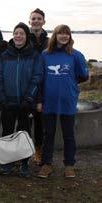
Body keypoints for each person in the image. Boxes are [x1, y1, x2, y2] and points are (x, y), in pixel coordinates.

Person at [37, 25, 89, 178]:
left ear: (70, 36)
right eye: (61, 33)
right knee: (48, 134)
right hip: (49, 101)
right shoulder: (45, 55)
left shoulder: (76, 55)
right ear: (55, 35)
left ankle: (69, 165)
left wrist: (69, 84)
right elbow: (39, 79)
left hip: (68, 102)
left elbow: (84, 76)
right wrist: (39, 100)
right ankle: (46, 164)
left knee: (69, 135)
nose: (64, 36)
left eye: (67, 33)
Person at [0, 22, 43, 177]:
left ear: (26, 36)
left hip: (25, 103)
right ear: (13, 35)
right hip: (8, 102)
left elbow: (37, 78)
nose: (18, 36)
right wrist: (1, 98)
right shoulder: (5, 55)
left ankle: (24, 164)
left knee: (24, 133)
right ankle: (7, 163)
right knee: (7, 132)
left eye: (21, 33)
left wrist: (29, 98)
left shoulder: (34, 55)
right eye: (16, 33)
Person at [28, 8, 49, 165]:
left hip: (45, 85)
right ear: (30, 21)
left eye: (39, 18)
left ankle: (39, 150)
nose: (36, 21)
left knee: (40, 121)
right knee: (23, 120)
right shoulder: (23, 38)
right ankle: (22, 152)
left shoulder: (49, 41)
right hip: (26, 84)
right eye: (33, 18)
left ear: (43, 21)